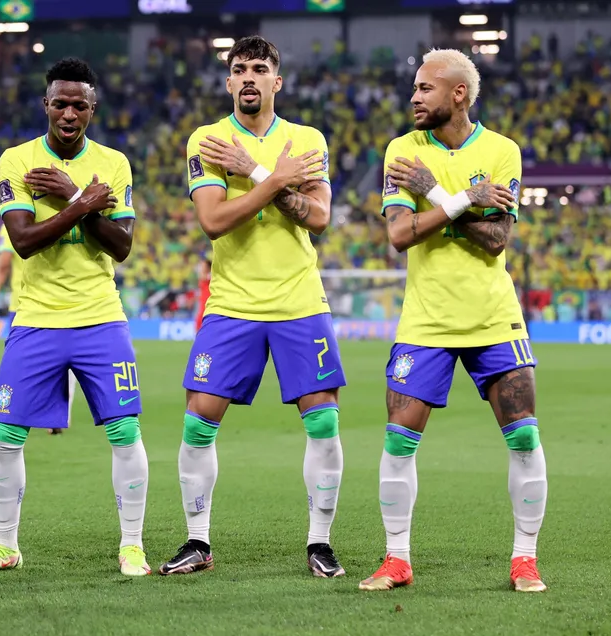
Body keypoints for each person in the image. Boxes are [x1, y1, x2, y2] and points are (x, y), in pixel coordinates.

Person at [158, 36, 347, 578]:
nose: (248, 77)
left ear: (276, 81)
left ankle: (319, 543)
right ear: (227, 81)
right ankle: (197, 540)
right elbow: (214, 220)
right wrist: (278, 180)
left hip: (298, 301)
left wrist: (258, 172)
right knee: (198, 424)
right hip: (233, 304)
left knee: (323, 423)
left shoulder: (306, 138)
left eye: (259, 69)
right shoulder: (208, 139)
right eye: (238, 69)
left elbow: (318, 217)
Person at [359, 49, 545, 593]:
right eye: (414, 89)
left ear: (458, 93)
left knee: (525, 439)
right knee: (398, 443)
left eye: (424, 88)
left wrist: (435, 198)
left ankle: (525, 560)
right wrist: (466, 198)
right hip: (425, 323)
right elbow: (398, 235)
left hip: (494, 319)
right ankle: (397, 559)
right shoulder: (402, 151)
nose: (413, 97)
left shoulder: (501, 151)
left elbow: (495, 241)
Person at [0, 57, 150, 577]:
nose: (69, 113)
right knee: (5, 435)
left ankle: (132, 544)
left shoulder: (114, 162)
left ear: (92, 109)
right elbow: (23, 242)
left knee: (125, 432)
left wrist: (69, 196)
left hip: (100, 318)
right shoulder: (16, 161)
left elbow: (122, 247)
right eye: (60, 103)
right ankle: (5, 546)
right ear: (45, 105)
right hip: (36, 318)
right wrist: (84, 203)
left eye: (79, 105)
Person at [0, 222, 77, 435]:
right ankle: (61, 415)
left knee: (24, 363)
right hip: (64, 300)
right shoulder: (66, 216)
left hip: (25, 303)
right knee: (69, 358)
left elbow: (3, 263)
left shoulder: (13, 223)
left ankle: (21, 413)